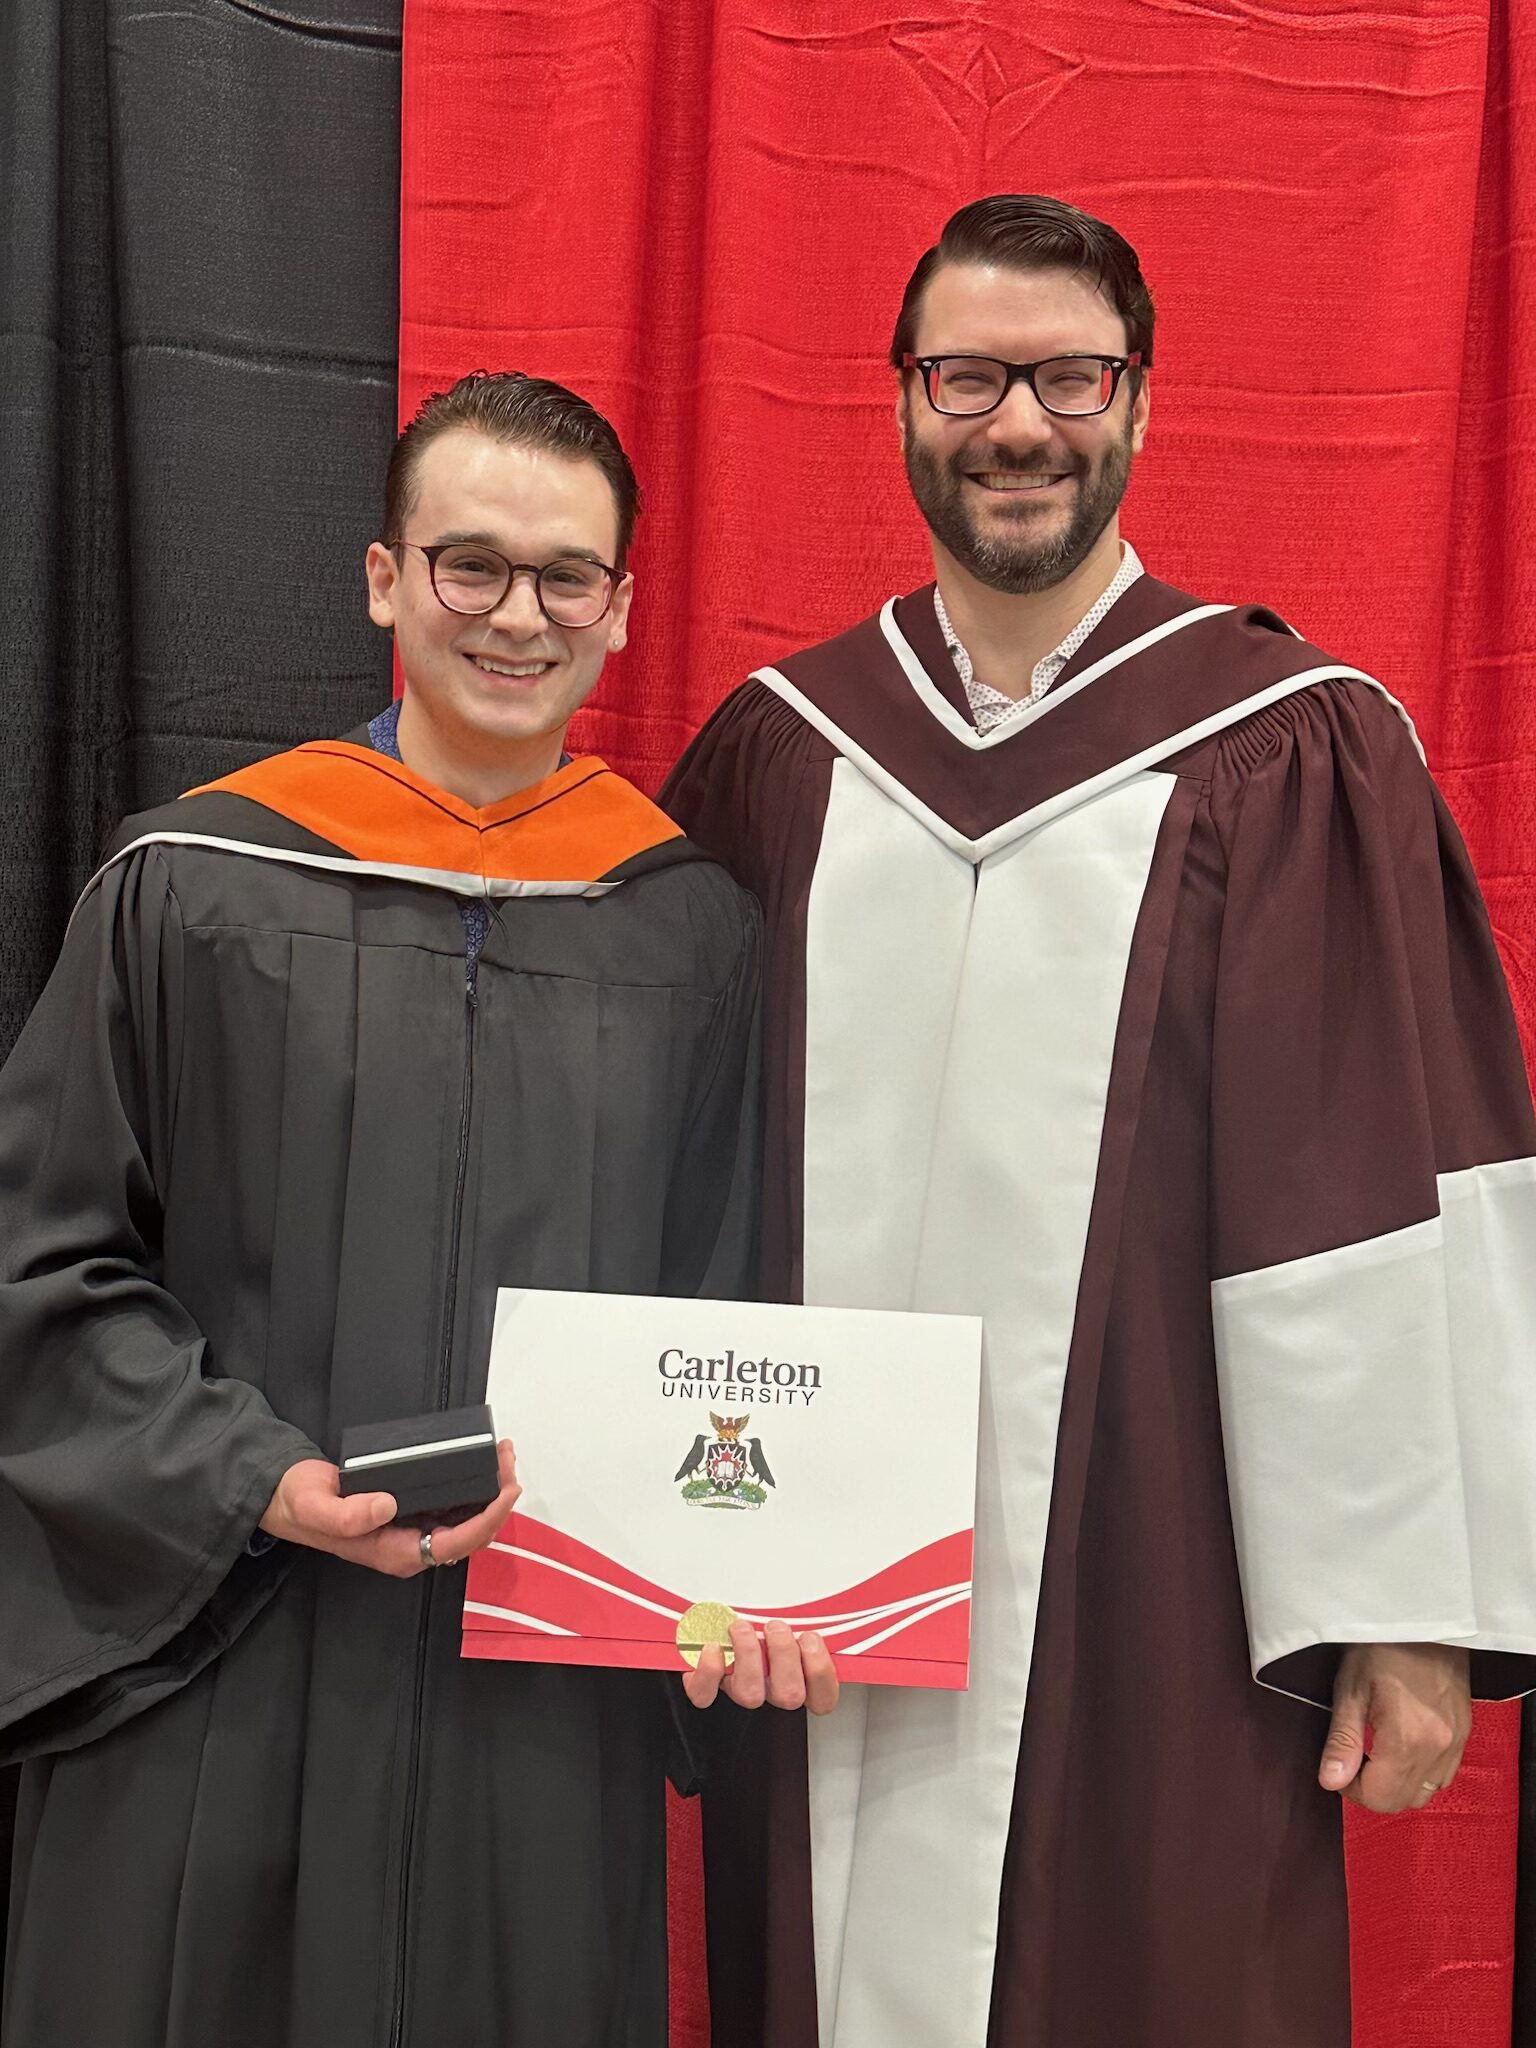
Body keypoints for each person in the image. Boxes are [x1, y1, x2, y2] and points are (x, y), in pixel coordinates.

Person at [662, 197, 1536, 2048]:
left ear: (1138, 399)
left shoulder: (1292, 747)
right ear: (903, 400)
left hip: (1165, 1580)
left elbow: (1379, 1206)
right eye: (968, 375)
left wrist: (1408, 1608)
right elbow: (667, 1178)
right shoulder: (780, 757)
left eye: (1069, 374)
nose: (1019, 422)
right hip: (816, 1601)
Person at [0, 370, 833, 2048]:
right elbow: (46, 1261)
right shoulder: (195, 885)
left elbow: (729, 1301)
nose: (515, 615)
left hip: (539, 1698)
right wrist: (254, 1479)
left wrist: (759, 1572)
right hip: (221, 1651)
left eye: (563, 577)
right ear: (385, 579)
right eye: (469, 565)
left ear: (618, 609)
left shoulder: (688, 932)